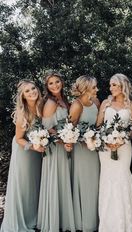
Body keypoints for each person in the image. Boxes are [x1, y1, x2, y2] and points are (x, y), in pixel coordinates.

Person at [96, 73, 132, 232]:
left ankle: (125, 224)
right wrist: (106, 140)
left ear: (122, 86)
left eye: (114, 85)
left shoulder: (131, 106)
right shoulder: (105, 104)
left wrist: (123, 138)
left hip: (124, 147)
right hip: (106, 149)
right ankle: (107, 225)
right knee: (107, 180)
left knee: (122, 179)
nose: (111, 88)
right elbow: (99, 125)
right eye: (110, 85)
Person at [1, 80, 44, 232]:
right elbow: (19, 139)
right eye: (27, 91)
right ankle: (22, 220)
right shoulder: (22, 114)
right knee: (24, 185)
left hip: (38, 152)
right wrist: (34, 147)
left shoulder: (42, 105)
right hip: (25, 152)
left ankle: (35, 217)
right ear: (23, 96)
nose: (32, 92)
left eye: (33, 88)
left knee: (36, 183)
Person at [37, 70, 75, 232]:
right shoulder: (51, 103)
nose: (55, 85)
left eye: (57, 82)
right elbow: (46, 128)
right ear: (47, 86)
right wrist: (62, 139)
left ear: (62, 82)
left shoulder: (64, 100)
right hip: (54, 147)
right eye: (51, 83)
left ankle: (62, 219)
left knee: (63, 179)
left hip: (65, 144)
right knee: (55, 180)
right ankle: (53, 220)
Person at [69, 75, 100, 232]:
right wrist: (82, 139)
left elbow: (100, 124)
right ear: (86, 88)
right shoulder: (77, 105)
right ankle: (85, 223)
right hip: (82, 151)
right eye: (94, 87)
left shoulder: (96, 102)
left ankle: (96, 220)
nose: (97, 89)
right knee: (85, 183)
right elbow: (69, 130)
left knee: (95, 183)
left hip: (95, 149)